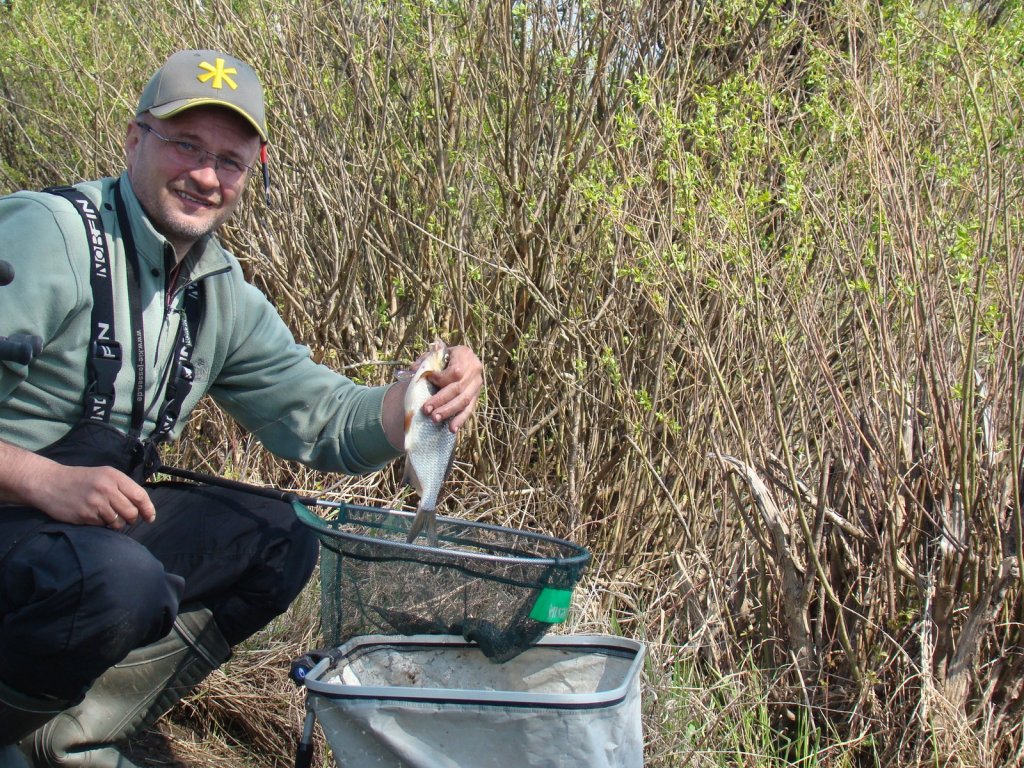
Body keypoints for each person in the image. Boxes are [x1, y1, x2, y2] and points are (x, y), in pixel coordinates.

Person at [0, 49, 483, 767]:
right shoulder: (44, 236)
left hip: (73, 544)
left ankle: (62, 735)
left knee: (282, 537)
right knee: (119, 580)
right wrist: (42, 480)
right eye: (185, 144)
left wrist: (418, 398)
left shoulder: (217, 292)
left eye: (229, 159)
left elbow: (324, 420)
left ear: (254, 169)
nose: (205, 175)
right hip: (21, 521)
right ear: (135, 141)